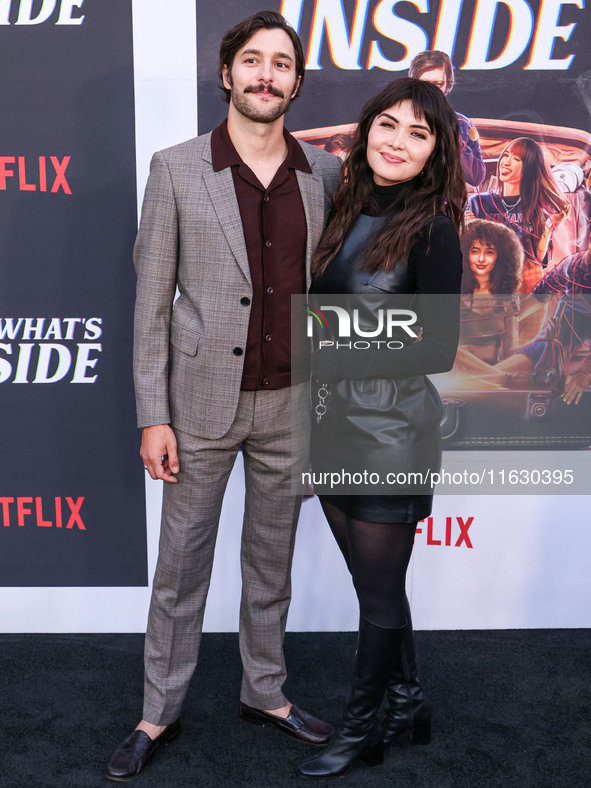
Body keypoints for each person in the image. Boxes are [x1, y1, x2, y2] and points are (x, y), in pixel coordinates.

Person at [105, 11, 341, 782]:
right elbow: (151, 306)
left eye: (280, 64)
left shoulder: (326, 173)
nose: (265, 74)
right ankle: (156, 712)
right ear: (226, 74)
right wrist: (152, 414)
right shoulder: (175, 168)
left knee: (270, 565)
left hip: (291, 405)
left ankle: (263, 693)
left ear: (296, 84)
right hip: (198, 407)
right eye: (252, 61)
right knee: (181, 568)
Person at [296, 78, 465, 779]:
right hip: (332, 424)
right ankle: (407, 699)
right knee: (378, 586)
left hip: (391, 429)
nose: (397, 141)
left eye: (417, 133)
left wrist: (323, 344)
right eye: (387, 125)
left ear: (434, 153)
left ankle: (362, 727)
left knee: (374, 592)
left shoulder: (433, 228)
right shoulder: (341, 209)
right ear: (365, 132)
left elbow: (436, 347)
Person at [467, 137, 570, 293]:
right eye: (506, 155)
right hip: (483, 287)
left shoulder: (536, 209)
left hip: (524, 289)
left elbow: (538, 260)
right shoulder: (478, 202)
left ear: (529, 168)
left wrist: (550, 227)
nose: (506, 162)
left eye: (516, 159)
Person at [409, 49, 485, 188]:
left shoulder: (462, 124)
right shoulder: (398, 118)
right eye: (425, 84)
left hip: (445, 205)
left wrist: (454, 139)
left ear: (447, 84)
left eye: (438, 84)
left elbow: (476, 177)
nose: (431, 90)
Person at [458, 219, 523, 364]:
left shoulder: (508, 301)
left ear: (500, 257)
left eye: (489, 252)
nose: (481, 259)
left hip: (489, 374)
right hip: (455, 374)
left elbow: (510, 351)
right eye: (475, 251)